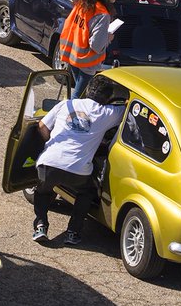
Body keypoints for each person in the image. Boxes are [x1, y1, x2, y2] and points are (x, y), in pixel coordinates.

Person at [31, 74, 125, 246]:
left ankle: (41, 226)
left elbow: (42, 126)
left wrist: (50, 145)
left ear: (88, 90)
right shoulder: (106, 112)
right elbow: (129, 110)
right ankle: (73, 232)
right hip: (78, 171)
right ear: (108, 98)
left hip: (49, 164)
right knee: (86, 193)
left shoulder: (66, 104)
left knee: (43, 191)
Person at [57, 0, 118, 98]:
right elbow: (96, 44)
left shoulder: (82, 4)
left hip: (73, 56)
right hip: (87, 61)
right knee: (79, 97)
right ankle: (71, 116)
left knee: (78, 94)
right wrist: (108, 38)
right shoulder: (103, 14)